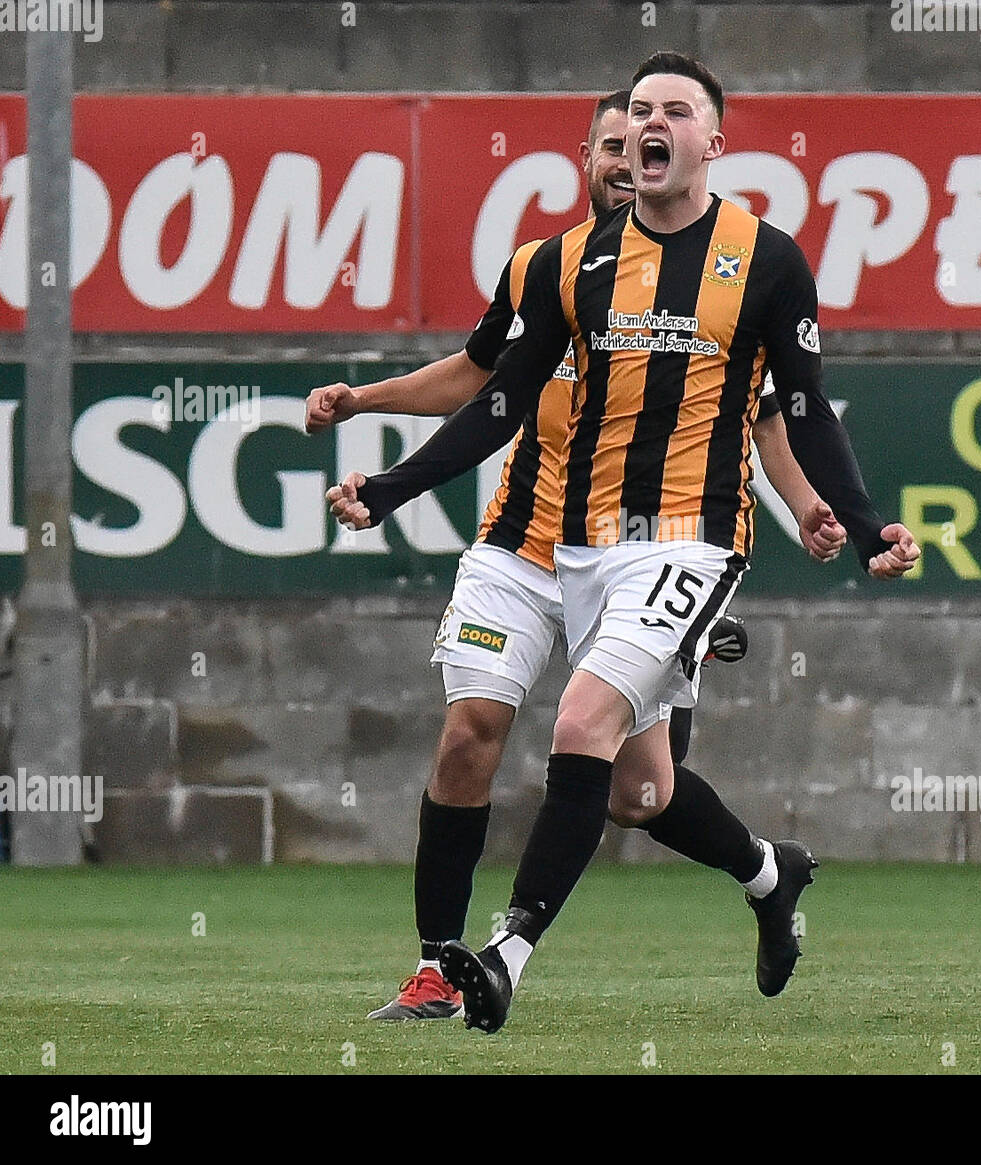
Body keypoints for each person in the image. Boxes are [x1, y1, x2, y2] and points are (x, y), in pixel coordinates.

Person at [329, 54, 919, 1032]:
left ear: (711, 143)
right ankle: (772, 874)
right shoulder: (569, 263)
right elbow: (501, 395)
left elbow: (799, 409)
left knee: (577, 726)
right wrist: (390, 487)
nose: (645, 129)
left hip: (691, 537)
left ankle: (502, 954)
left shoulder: (767, 259)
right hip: (570, 546)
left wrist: (860, 524)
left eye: (669, 112)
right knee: (639, 792)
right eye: (634, 113)